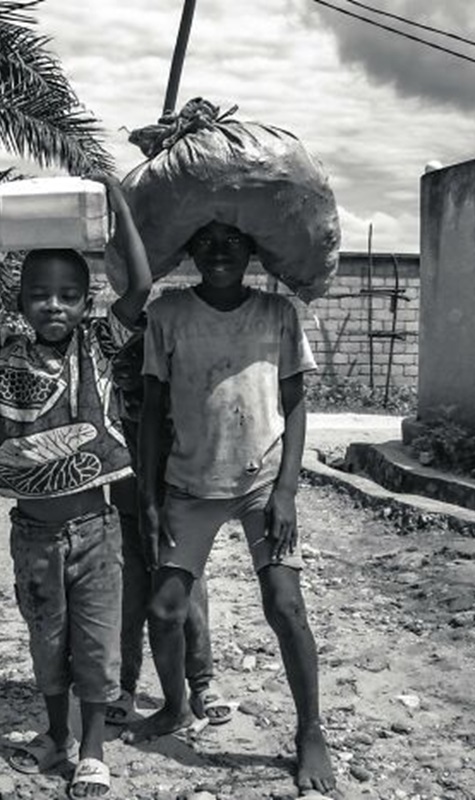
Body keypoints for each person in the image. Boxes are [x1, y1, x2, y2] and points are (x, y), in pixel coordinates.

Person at [0, 174, 152, 799]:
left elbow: (139, 286)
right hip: (32, 533)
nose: (53, 305)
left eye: (67, 296)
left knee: (94, 642)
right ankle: (55, 736)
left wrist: (120, 205)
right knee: (46, 638)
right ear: (20, 301)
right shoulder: (3, 347)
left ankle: (93, 751)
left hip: (95, 530)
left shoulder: (101, 343)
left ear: (86, 302)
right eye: (38, 294)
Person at [125, 221, 337, 795]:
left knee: (285, 604)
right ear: (190, 249)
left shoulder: (277, 314)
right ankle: (174, 706)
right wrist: (147, 497)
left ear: (253, 250)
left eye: (233, 242)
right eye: (207, 242)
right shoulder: (168, 316)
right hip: (189, 485)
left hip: (263, 483)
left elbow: (293, 404)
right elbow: (152, 412)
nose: (219, 253)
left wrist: (287, 490)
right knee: (165, 610)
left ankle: (309, 731)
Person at [107, 333, 232, 729]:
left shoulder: (183, 402)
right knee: (128, 603)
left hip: (178, 511)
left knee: (189, 600)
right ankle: (124, 688)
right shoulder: (111, 401)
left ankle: (201, 684)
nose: (132, 386)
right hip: (127, 511)